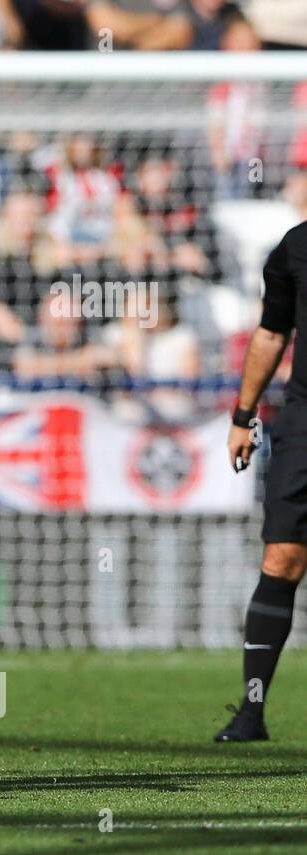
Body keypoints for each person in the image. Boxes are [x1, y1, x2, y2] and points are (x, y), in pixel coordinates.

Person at [219, 220, 307, 742]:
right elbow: (272, 332)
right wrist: (242, 415)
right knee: (282, 557)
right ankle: (251, 712)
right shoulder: (295, 248)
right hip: (303, 421)